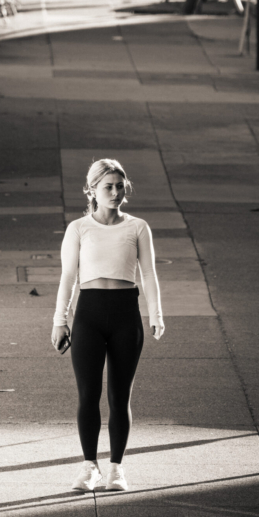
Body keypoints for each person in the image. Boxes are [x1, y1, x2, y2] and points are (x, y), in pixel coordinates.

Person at [52, 158, 164, 492]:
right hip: (88, 314)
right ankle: (89, 467)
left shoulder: (138, 227)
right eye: (107, 187)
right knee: (88, 394)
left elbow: (149, 274)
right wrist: (60, 320)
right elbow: (68, 277)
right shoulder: (79, 228)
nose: (115, 193)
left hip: (125, 315)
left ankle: (116, 468)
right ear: (92, 191)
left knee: (119, 395)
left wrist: (156, 315)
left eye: (119, 186)